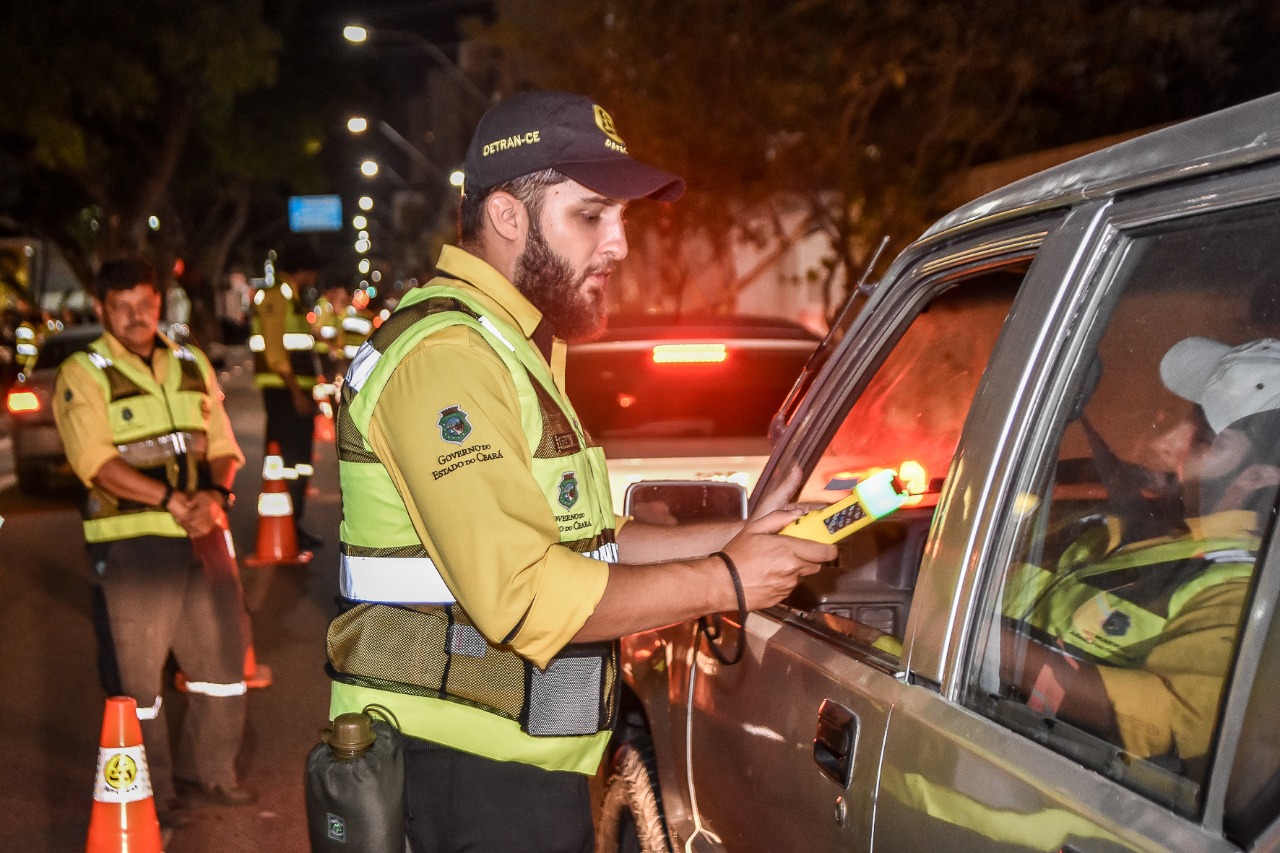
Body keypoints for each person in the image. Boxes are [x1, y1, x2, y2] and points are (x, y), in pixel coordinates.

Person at [324, 90, 834, 853]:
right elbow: (527, 596)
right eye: (592, 215)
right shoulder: (447, 361)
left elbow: (590, 541)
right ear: (506, 216)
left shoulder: (515, 344)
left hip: (512, 769)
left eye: (620, 218)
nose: (620, 244)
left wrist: (743, 533)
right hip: (462, 776)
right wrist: (727, 579)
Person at [1001, 336, 1280, 783]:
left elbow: (1173, 721)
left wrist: (987, 648)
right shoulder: (1123, 532)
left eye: (1204, 440)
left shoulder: (1238, 589)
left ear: (1260, 475)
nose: (1168, 444)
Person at [53, 258, 256, 827]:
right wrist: (171, 502)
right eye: (121, 307)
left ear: (160, 302)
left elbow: (220, 440)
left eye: (145, 304)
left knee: (221, 664)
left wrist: (214, 494)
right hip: (132, 540)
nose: (136, 316)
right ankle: (153, 792)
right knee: (139, 682)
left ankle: (211, 771)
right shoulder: (83, 372)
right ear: (100, 309)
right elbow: (95, 462)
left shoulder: (190, 363)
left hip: (203, 533)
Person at [249, 254, 321, 546]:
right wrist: (295, 391)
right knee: (288, 459)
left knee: (297, 459)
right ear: (304, 270)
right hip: (284, 390)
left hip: (293, 389)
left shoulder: (289, 295)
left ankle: (293, 521)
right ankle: (287, 522)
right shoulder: (276, 295)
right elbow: (276, 349)